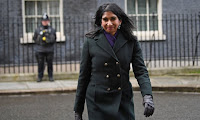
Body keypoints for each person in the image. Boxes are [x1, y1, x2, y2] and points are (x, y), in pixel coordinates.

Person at [74, 3, 154, 120]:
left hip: (122, 99)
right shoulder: (90, 41)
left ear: (120, 20)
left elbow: (141, 71)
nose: (109, 23)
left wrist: (147, 96)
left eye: (113, 19)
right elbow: (83, 77)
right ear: (100, 21)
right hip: (98, 101)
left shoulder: (131, 41)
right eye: (105, 19)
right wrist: (78, 110)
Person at [33, 13, 56, 82]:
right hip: (40, 50)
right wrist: (40, 38)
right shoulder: (37, 30)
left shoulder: (52, 29)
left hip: (49, 49)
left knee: (50, 64)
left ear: (48, 21)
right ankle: (40, 77)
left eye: (46, 21)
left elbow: (54, 39)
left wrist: (48, 38)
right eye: (43, 21)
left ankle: (50, 76)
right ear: (41, 21)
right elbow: (34, 39)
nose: (45, 22)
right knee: (40, 64)